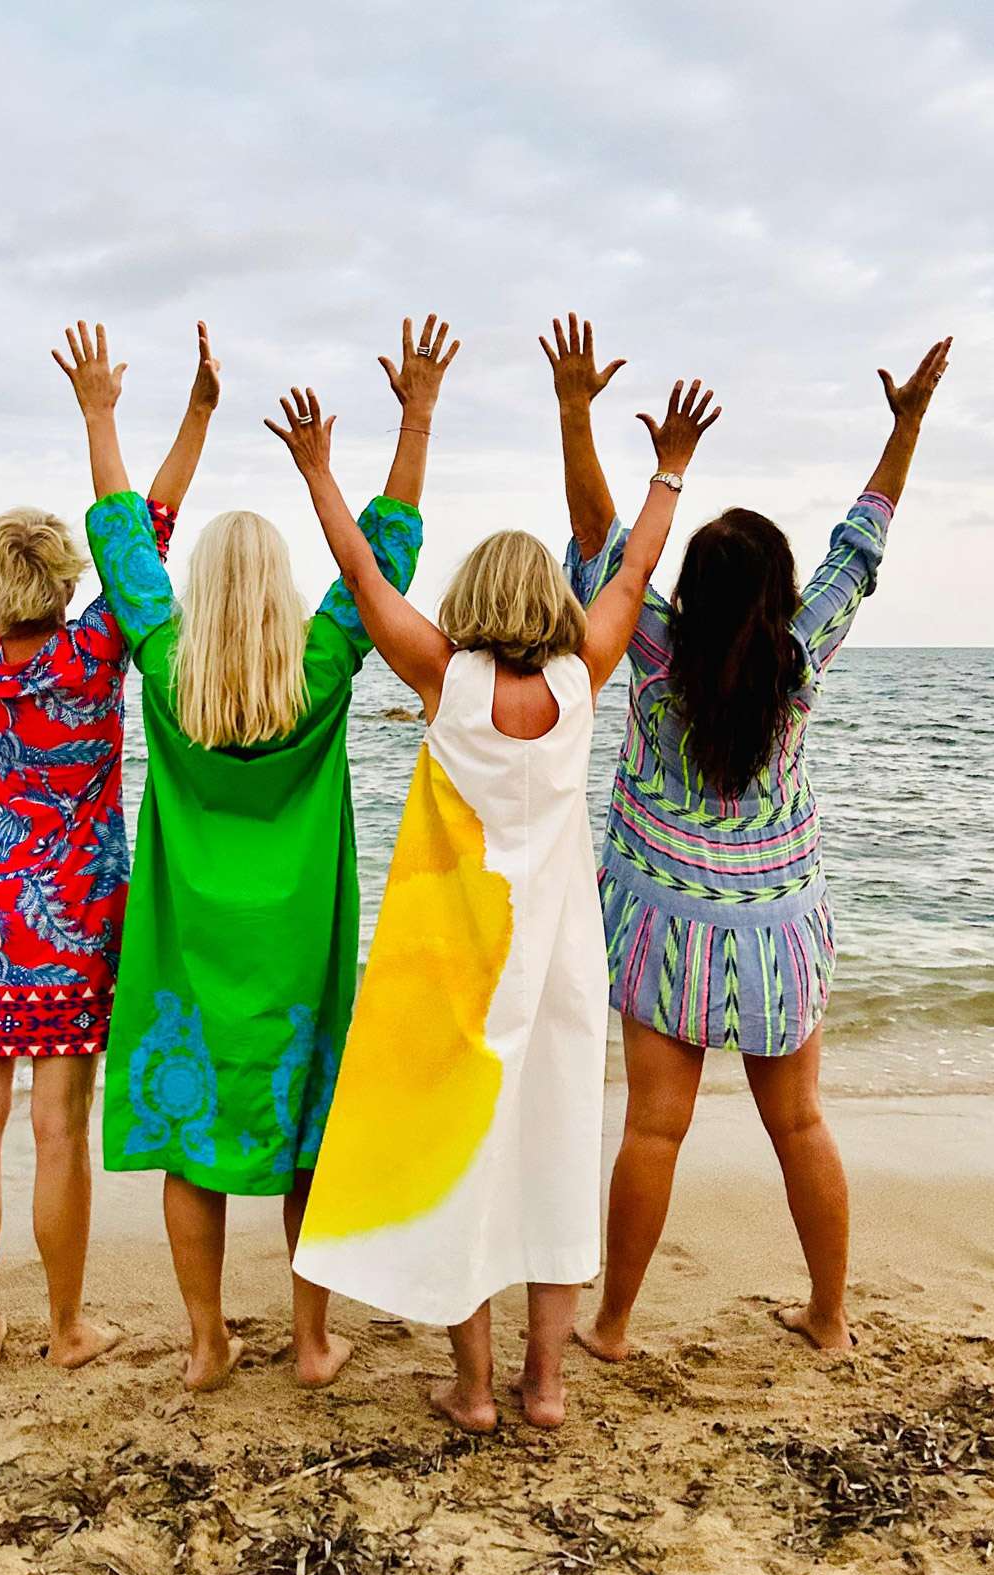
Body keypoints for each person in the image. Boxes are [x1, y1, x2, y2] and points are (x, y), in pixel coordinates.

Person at [284, 364, 722, 1432]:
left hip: (459, 968)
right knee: (555, 1157)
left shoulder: (444, 677)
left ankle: (474, 1390)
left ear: (474, 599)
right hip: (561, 965)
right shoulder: (584, 674)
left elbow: (359, 575)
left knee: (466, 1163)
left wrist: (318, 473)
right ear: (551, 603)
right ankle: (547, 1386)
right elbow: (634, 566)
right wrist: (669, 467)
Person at [54, 315, 455, 1391]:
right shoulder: (320, 665)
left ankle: (205, 1344)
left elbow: (120, 540)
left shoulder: (166, 659)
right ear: (277, 587)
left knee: (195, 1147)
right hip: (295, 949)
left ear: (202, 586)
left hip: (190, 947)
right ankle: (311, 1342)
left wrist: (100, 414)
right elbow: (384, 554)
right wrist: (414, 420)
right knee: (304, 1136)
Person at [546, 316, 952, 1357]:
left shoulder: (651, 647)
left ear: (688, 588)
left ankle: (613, 1324)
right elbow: (859, 549)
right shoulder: (797, 658)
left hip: (663, 924)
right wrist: (905, 427)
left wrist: (576, 412)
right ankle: (829, 1316)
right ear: (776, 594)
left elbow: (600, 547)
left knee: (653, 1127)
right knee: (799, 1122)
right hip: (778, 923)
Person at [0, 324, 202, 1367]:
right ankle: (64, 1328)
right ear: (66, 583)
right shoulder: (96, 646)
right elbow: (146, 530)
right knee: (60, 1126)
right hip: (73, 915)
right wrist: (191, 412)